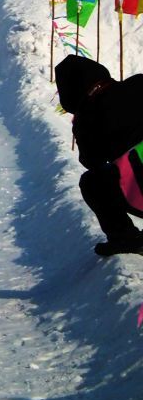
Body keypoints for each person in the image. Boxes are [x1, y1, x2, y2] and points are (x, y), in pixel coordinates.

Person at [55, 55, 143, 256]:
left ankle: (125, 238)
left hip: (140, 193)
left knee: (93, 183)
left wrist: (81, 126)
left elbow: (92, 162)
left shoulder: (88, 119)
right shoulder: (139, 83)